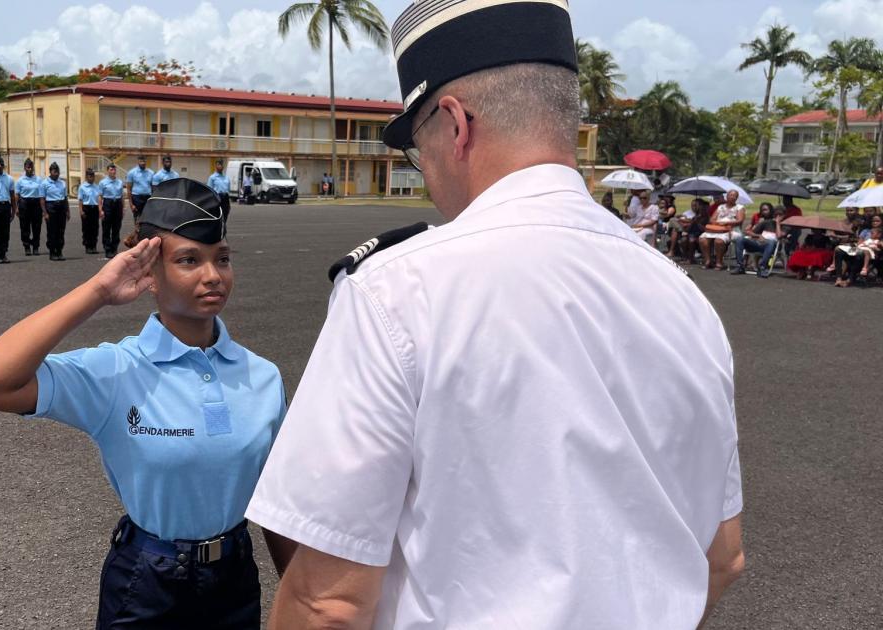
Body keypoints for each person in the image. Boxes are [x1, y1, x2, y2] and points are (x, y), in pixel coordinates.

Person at [246, 2, 743, 628]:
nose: (425, 176)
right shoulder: (685, 299)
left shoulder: (399, 290)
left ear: (454, 125)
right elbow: (723, 558)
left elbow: (327, 602)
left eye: (416, 150)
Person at [0, 178, 290, 629]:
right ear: (150, 274)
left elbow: (278, 498)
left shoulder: (262, 376)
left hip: (233, 577)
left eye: (223, 259)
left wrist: (300, 592)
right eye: (189, 261)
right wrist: (97, 291)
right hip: (148, 581)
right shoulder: (115, 371)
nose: (213, 275)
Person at [698, 190, 745, 270]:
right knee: (702, 239)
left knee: (719, 240)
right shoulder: (720, 207)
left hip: (732, 229)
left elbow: (740, 220)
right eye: (731, 195)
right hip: (718, 228)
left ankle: (719, 262)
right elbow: (712, 219)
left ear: (736, 198)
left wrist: (727, 223)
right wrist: (718, 223)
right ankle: (708, 260)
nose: (732, 197)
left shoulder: (739, 207)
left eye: (734, 196)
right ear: (726, 196)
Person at [731, 202, 779, 278]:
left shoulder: (778, 223)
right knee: (740, 239)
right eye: (762, 210)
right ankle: (740, 266)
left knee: (771, 242)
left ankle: (762, 267)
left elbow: (780, 236)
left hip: (771, 246)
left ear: (771, 210)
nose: (764, 212)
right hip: (758, 244)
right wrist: (758, 235)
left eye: (766, 210)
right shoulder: (764, 222)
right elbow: (749, 232)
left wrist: (778, 223)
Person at [15, 158, 46, 256]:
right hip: (24, 204)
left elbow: (42, 195)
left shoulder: (39, 179)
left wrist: (43, 208)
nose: (30, 169)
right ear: (24, 168)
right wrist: (16, 208)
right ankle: (27, 246)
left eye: (31, 167)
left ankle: (36, 247)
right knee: (25, 227)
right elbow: (17, 195)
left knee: (37, 227)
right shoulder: (20, 180)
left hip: (36, 204)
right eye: (28, 167)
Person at [42, 162, 69, 261]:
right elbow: (42, 200)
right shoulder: (45, 183)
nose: (56, 173)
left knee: (61, 231)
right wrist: (45, 213)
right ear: (50, 172)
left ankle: (59, 251)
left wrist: (67, 211)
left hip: (61, 207)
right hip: (51, 207)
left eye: (58, 171)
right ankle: (52, 252)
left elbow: (65, 198)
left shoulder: (62, 183)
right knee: (52, 231)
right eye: (54, 171)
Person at [98, 163, 125, 259]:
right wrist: (100, 210)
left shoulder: (119, 182)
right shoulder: (103, 182)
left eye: (114, 170)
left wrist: (123, 208)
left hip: (117, 204)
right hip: (108, 204)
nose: (113, 171)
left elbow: (122, 196)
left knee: (116, 228)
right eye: (111, 169)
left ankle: (114, 248)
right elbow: (100, 197)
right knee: (106, 228)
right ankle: (108, 249)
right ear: (107, 171)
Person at [77, 168, 102, 255]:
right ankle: (88, 246)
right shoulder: (82, 187)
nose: (91, 177)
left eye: (93, 176)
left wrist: (100, 209)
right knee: (86, 228)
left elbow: (99, 199)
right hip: (86, 208)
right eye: (90, 176)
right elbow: (80, 200)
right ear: (86, 176)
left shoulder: (96, 186)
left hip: (94, 208)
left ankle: (94, 246)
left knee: (95, 228)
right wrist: (81, 211)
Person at [125, 155, 153, 219]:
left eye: (144, 161)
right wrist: (131, 204)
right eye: (141, 161)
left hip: (148, 198)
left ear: (146, 161)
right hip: (136, 198)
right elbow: (129, 189)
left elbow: (153, 188)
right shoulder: (131, 173)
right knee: (137, 219)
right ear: (138, 162)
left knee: (147, 219)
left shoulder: (151, 173)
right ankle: (137, 228)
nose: (143, 163)